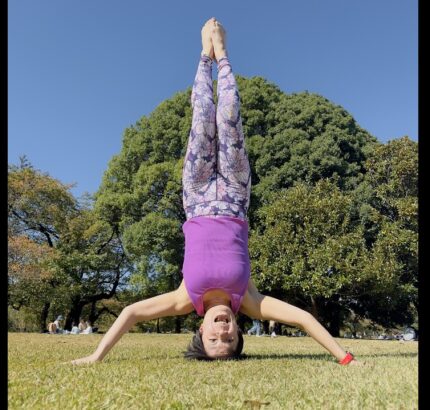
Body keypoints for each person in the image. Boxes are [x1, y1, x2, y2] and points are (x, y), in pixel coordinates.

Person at [71, 17, 361, 366]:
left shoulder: (184, 298)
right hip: (236, 197)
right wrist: (345, 359)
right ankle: (221, 54)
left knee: (202, 114)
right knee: (228, 115)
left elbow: (131, 313)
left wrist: (96, 356)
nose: (222, 331)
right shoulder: (250, 300)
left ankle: (204, 57)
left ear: (200, 328)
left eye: (213, 338)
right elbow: (303, 318)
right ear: (240, 331)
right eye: (229, 339)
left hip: (196, 196)